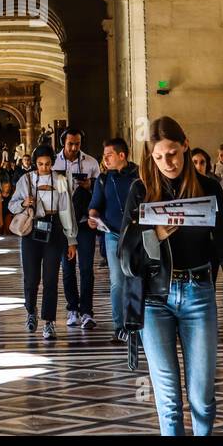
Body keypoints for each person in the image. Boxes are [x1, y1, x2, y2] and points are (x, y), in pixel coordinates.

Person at [117, 117, 223, 435]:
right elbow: (124, 255)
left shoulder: (209, 187)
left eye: (172, 153)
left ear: (185, 145)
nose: (167, 163)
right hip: (154, 299)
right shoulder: (140, 190)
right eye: (159, 157)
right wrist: (156, 234)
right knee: (169, 400)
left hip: (198, 294)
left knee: (202, 398)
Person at [8, 145, 77, 339]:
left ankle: (49, 322)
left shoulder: (60, 180)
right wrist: (23, 203)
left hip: (54, 229)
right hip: (32, 230)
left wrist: (71, 239)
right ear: (34, 163)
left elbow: (66, 210)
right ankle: (31, 311)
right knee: (31, 278)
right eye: (40, 164)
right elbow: (12, 205)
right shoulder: (26, 179)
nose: (44, 168)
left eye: (47, 164)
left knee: (51, 279)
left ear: (52, 163)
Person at [89, 137, 140, 342]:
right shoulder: (103, 179)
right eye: (104, 156)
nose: (105, 160)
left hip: (136, 234)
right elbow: (95, 205)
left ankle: (135, 325)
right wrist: (93, 217)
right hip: (112, 234)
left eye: (109, 155)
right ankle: (120, 326)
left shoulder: (140, 176)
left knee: (135, 279)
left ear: (122, 155)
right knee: (117, 281)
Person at [54, 128, 101, 328]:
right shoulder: (54, 163)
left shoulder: (90, 162)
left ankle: (87, 311)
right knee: (67, 268)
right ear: (63, 143)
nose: (74, 148)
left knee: (87, 268)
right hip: (65, 225)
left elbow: (100, 190)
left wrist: (90, 185)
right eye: (70, 144)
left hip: (84, 222)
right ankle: (72, 308)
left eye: (78, 144)